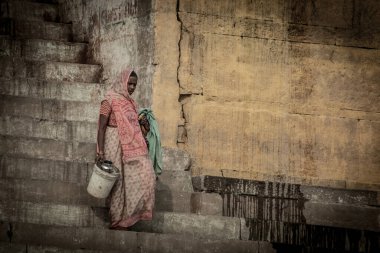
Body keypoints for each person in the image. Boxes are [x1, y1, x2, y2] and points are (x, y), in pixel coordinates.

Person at [96, 69, 155, 229]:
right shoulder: (108, 100)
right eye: (129, 83)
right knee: (117, 181)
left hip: (130, 146)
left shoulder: (132, 104)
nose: (131, 87)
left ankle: (127, 218)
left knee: (140, 177)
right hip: (113, 141)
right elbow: (101, 127)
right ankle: (116, 220)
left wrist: (145, 128)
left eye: (134, 85)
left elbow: (135, 127)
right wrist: (100, 152)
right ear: (122, 82)